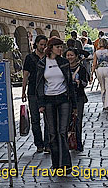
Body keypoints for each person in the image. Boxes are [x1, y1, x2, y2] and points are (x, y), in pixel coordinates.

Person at [36, 37, 76, 170]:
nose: (60, 49)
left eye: (61, 47)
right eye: (58, 47)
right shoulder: (42, 63)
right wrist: (40, 104)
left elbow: (70, 84)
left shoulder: (64, 62)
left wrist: (74, 105)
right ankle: (56, 163)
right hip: (48, 100)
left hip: (63, 98)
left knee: (62, 132)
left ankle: (66, 163)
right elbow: (39, 84)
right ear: (51, 48)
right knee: (52, 133)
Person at [21, 34, 49, 153]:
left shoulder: (49, 57)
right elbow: (25, 75)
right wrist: (23, 91)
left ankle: (48, 143)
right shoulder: (29, 58)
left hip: (47, 91)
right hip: (32, 91)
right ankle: (39, 144)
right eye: (41, 44)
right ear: (36, 44)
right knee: (35, 119)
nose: (43, 47)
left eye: (45, 45)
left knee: (48, 119)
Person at [64, 48, 89, 152]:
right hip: (66, 97)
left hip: (78, 96)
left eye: (71, 55)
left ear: (76, 56)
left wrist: (80, 82)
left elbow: (86, 82)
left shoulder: (81, 68)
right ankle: (67, 142)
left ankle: (78, 142)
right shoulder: (63, 68)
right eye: (68, 55)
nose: (69, 57)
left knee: (77, 120)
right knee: (66, 121)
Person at [91, 38, 108, 112]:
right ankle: (107, 105)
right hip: (107, 69)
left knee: (102, 87)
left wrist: (92, 73)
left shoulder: (96, 52)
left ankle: (103, 103)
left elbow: (94, 64)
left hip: (99, 69)